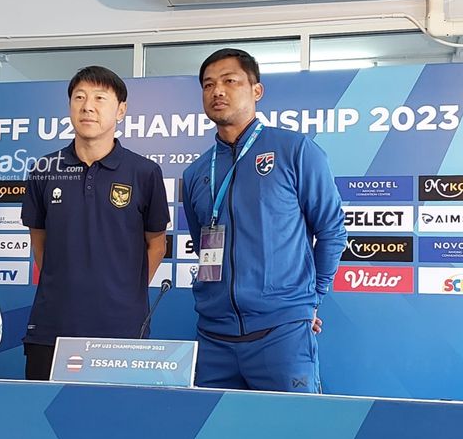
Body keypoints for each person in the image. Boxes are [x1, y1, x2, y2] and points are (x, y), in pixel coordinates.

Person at [182, 49, 347, 392]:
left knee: (293, 433)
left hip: (281, 334)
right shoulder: (196, 172)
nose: (218, 91)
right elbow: (204, 244)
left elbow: (331, 230)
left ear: (257, 91)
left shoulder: (295, 150)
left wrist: (311, 299)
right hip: (213, 337)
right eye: (208, 84)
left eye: (230, 81)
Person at [21, 66, 170, 380]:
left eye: (100, 98)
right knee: (42, 419)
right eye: (79, 97)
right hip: (52, 326)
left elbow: (157, 243)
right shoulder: (45, 169)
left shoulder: (144, 172)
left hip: (122, 329)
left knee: (116, 422)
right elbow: (40, 239)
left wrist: (125, 290)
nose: (87, 106)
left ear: (120, 111)